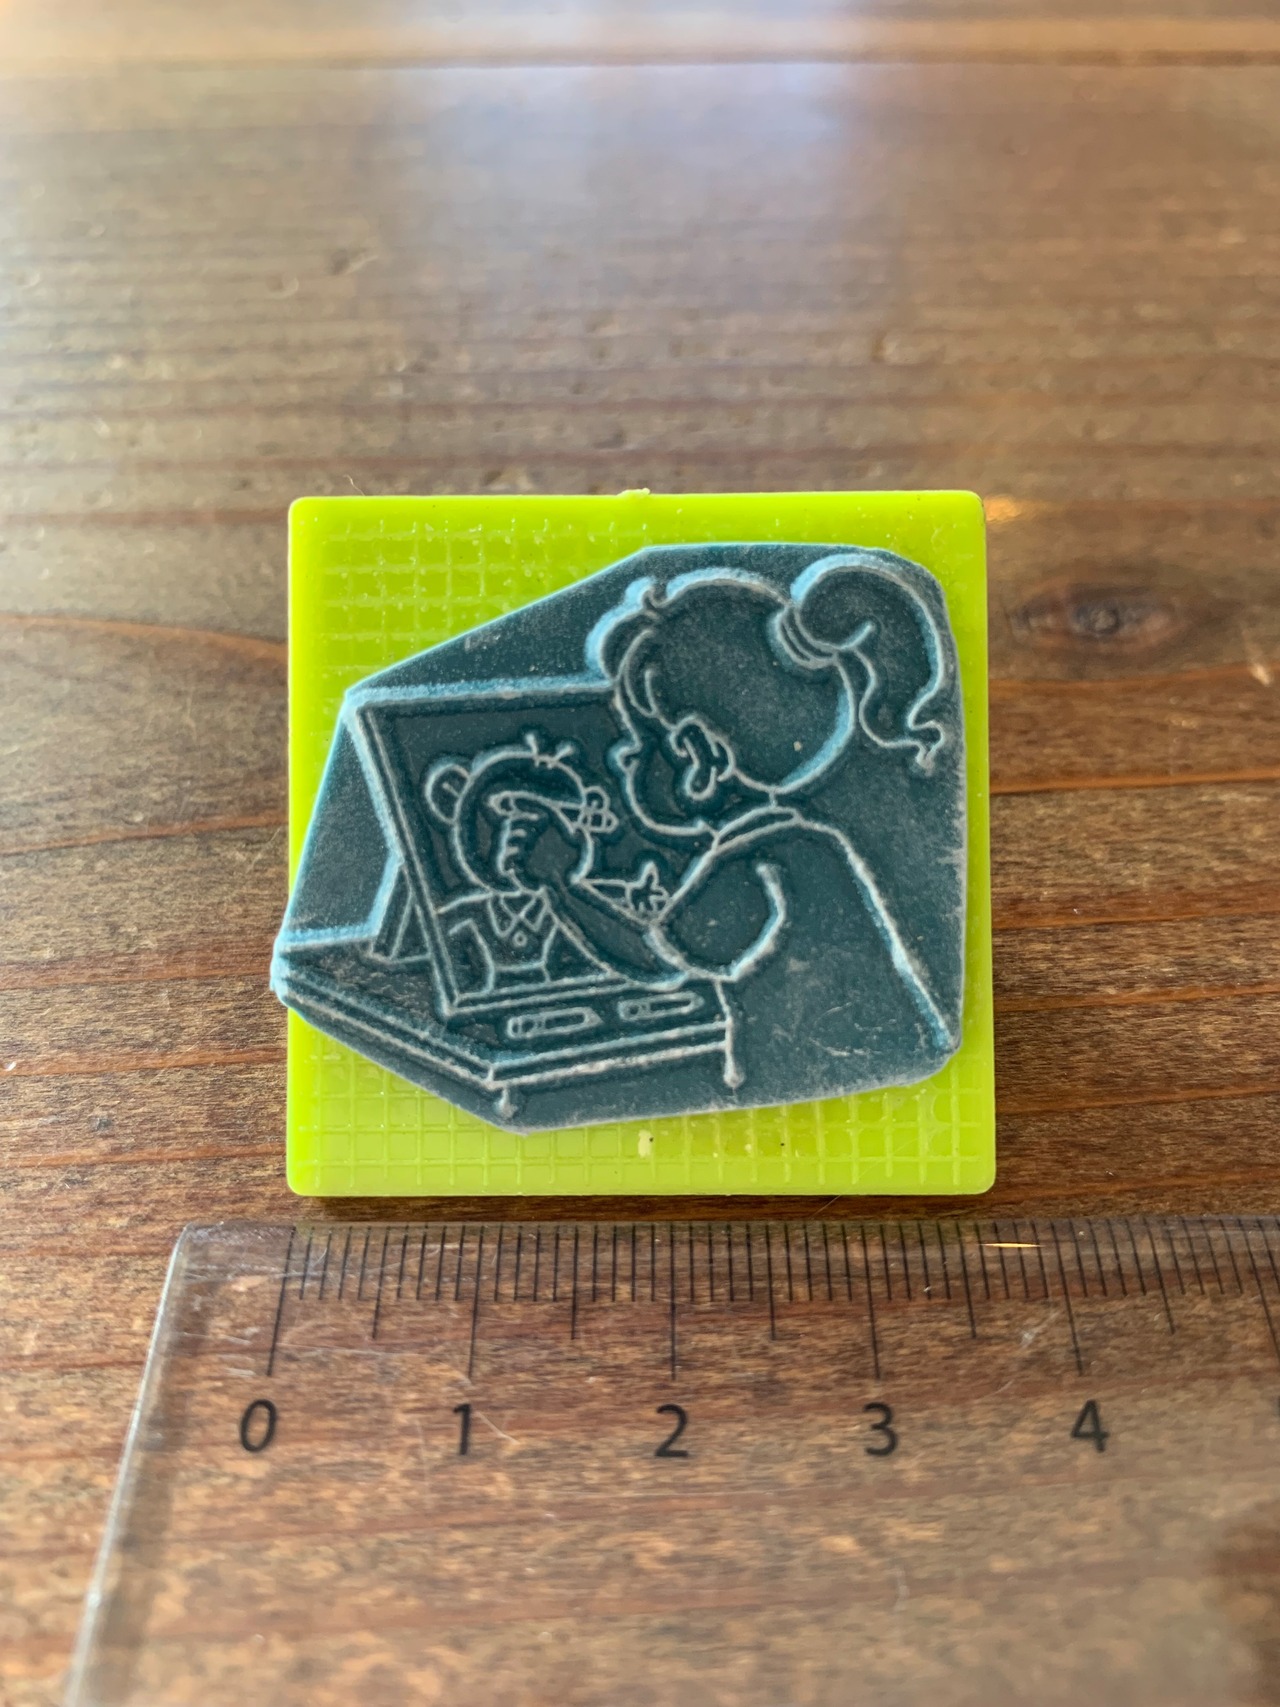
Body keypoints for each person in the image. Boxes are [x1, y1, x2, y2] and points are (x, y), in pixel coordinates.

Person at [501, 554, 959, 1098]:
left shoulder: (753, 857)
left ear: (699, 757)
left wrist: (559, 881)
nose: (622, 755)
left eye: (638, 738)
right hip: (872, 1064)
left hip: (828, 1081)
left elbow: (656, 959)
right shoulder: (803, 840)